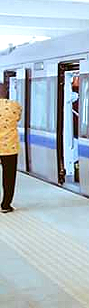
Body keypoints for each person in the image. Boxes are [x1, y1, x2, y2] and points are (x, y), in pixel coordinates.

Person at [0, 84, 21, 213]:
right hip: (10, 148)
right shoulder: (14, 105)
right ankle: (5, 205)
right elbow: (18, 118)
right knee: (9, 177)